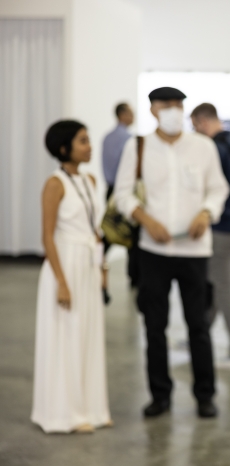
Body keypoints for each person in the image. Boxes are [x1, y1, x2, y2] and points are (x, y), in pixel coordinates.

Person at [113, 87, 230, 418]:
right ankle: (159, 395)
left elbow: (218, 188)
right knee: (155, 325)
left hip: (195, 251)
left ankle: (205, 395)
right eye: (166, 105)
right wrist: (147, 220)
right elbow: (123, 195)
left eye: (179, 104)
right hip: (154, 251)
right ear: (153, 110)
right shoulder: (138, 147)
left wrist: (206, 212)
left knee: (198, 325)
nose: (174, 110)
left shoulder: (203, 146)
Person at [32, 120, 112, 433]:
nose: (89, 146)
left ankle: (92, 409)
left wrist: (102, 268)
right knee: (66, 335)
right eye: (82, 141)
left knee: (88, 334)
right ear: (64, 148)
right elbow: (47, 237)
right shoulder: (54, 184)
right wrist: (61, 282)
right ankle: (64, 413)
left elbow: (95, 230)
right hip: (64, 264)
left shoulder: (90, 180)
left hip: (88, 265)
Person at [190, 103, 230, 354]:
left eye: (195, 126)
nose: (194, 131)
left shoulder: (213, 149)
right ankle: (200, 335)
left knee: (223, 289)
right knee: (216, 284)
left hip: (222, 229)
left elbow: (215, 190)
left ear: (203, 122)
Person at [101, 102, 136, 294]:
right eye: (130, 113)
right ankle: (134, 277)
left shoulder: (107, 138)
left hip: (110, 189)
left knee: (110, 228)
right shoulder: (129, 139)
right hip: (123, 190)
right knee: (130, 231)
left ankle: (97, 259)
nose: (133, 116)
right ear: (122, 114)